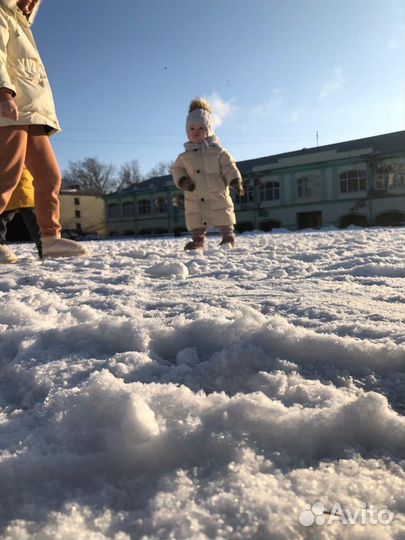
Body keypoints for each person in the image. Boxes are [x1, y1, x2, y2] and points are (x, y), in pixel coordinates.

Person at [0, 0, 88, 264]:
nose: (29, 3)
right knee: (7, 177)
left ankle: (50, 239)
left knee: (50, 176)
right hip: (10, 109)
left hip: (32, 111)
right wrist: (3, 93)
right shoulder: (1, 13)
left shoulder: (22, 25)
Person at [172, 97, 244, 251]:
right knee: (195, 217)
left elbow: (229, 166)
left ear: (209, 130)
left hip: (217, 193)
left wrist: (235, 180)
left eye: (200, 129)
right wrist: (183, 181)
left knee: (223, 213)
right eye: (192, 129)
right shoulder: (183, 157)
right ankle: (198, 241)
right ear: (187, 131)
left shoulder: (218, 151)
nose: (196, 133)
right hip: (195, 194)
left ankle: (228, 237)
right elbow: (177, 170)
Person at [0, 166, 41, 261]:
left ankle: (44, 245)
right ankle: (44, 245)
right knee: (33, 217)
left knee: (4, 215)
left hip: (15, 182)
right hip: (20, 182)